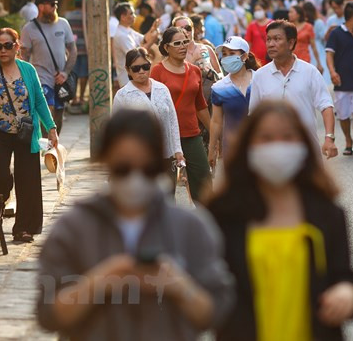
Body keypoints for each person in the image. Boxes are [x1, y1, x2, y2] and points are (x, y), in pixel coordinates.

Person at [35, 109, 235, 340]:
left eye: (147, 169)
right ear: (106, 162)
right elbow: (48, 314)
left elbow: (217, 312)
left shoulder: (190, 228)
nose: (135, 178)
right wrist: (101, 280)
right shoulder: (74, 228)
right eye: (123, 168)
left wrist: (180, 286)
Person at [207, 101, 353, 341]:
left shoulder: (327, 213)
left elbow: (344, 276)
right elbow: (210, 287)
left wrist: (347, 293)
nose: (277, 147)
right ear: (247, 145)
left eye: (288, 137)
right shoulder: (225, 214)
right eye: (266, 138)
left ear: (303, 146)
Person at [0, 28, 58, 243]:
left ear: (16, 47)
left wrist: (51, 127)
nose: (3, 50)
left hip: (25, 132)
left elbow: (39, 100)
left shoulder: (28, 70)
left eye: (7, 45)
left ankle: (23, 228)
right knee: (0, 176)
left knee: (28, 180)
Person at [249, 20, 338, 158]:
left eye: (277, 39)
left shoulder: (310, 72)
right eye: (268, 39)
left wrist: (329, 138)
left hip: (306, 150)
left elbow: (326, 105)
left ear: (291, 43)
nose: (271, 44)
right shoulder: (260, 76)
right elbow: (254, 114)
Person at [151, 27, 212, 203]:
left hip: (192, 134)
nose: (182, 46)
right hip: (166, 137)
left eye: (185, 42)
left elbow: (200, 105)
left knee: (203, 182)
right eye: (177, 43)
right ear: (166, 47)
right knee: (166, 187)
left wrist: (214, 135)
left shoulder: (194, 70)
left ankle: (207, 223)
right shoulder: (157, 72)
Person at [113, 48, 185, 175]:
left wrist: (178, 150)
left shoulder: (162, 89)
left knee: (168, 193)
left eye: (145, 67)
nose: (141, 71)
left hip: (166, 156)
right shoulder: (122, 95)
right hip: (138, 159)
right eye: (136, 68)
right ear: (128, 70)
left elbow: (173, 121)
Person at [20, 0, 77, 135]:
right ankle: (47, 149)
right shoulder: (29, 29)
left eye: (56, 4)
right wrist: (26, 80)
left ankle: (54, 147)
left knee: (58, 114)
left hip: (60, 80)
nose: (55, 7)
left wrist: (65, 73)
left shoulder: (63, 23)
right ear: (41, 7)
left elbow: (73, 50)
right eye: (52, 4)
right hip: (41, 79)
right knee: (48, 113)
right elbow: (24, 57)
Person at [326, 2, 353, 158]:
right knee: (344, 116)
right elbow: (329, 54)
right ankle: (348, 141)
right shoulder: (336, 34)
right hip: (341, 82)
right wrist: (332, 72)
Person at [208, 37, 258, 168]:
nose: (227, 58)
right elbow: (216, 121)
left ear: (244, 56)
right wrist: (212, 148)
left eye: (232, 53)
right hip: (232, 149)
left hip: (261, 146)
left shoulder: (261, 79)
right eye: (224, 54)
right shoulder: (219, 87)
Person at [112, 2, 145, 89]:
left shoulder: (128, 30)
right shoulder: (121, 35)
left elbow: (144, 39)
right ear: (123, 17)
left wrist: (153, 30)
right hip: (127, 80)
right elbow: (135, 56)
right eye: (131, 13)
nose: (134, 16)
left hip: (134, 79)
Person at [64, 0, 88, 107]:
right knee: (83, 74)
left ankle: (74, 98)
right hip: (85, 49)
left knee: (73, 74)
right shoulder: (87, 17)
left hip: (71, 49)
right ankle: (82, 97)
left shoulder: (69, 16)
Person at [289, 4, 320, 69]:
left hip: (304, 58)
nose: (289, 14)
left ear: (298, 14)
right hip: (290, 59)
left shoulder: (308, 27)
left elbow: (313, 46)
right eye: (289, 12)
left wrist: (318, 62)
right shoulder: (288, 27)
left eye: (291, 12)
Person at [245, 0, 271, 64]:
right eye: (255, 10)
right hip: (256, 59)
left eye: (259, 10)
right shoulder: (251, 25)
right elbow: (248, 43)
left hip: (269, 58)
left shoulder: (272, 24)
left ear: (265, 10)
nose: (257, 12)